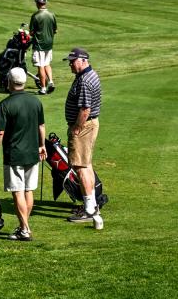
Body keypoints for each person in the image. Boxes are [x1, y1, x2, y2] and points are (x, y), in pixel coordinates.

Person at [0, 67, 46, 241]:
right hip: (32, 152)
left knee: (17, 191)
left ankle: (25, 229)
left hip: (14, 154)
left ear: (9, 82)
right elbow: (41, 127)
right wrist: (42, 145)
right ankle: (23, 227)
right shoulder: (36, 101)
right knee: (28, 190)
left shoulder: (5, 105)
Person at [62, 47, 103, 225]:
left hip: (84, 126)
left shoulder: (85, 81)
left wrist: (76, 128)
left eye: (73, 61)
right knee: (86, 165)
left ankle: (88, 209)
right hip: (90, 125)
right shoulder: (90, 74)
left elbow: (85, 110)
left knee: (80, 167)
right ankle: (92, 205)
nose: (70, 64)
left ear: (83, 60)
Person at [29, 0, 58, 95]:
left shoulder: (36, 16)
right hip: (49, 44)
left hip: (39, 44)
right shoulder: (52, 15)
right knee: (47, 64)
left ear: (38, 3)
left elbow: (31, 32)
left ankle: (43, 88)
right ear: (45, 3)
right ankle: (51, 81)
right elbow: (55, 30)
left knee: (41, 66)